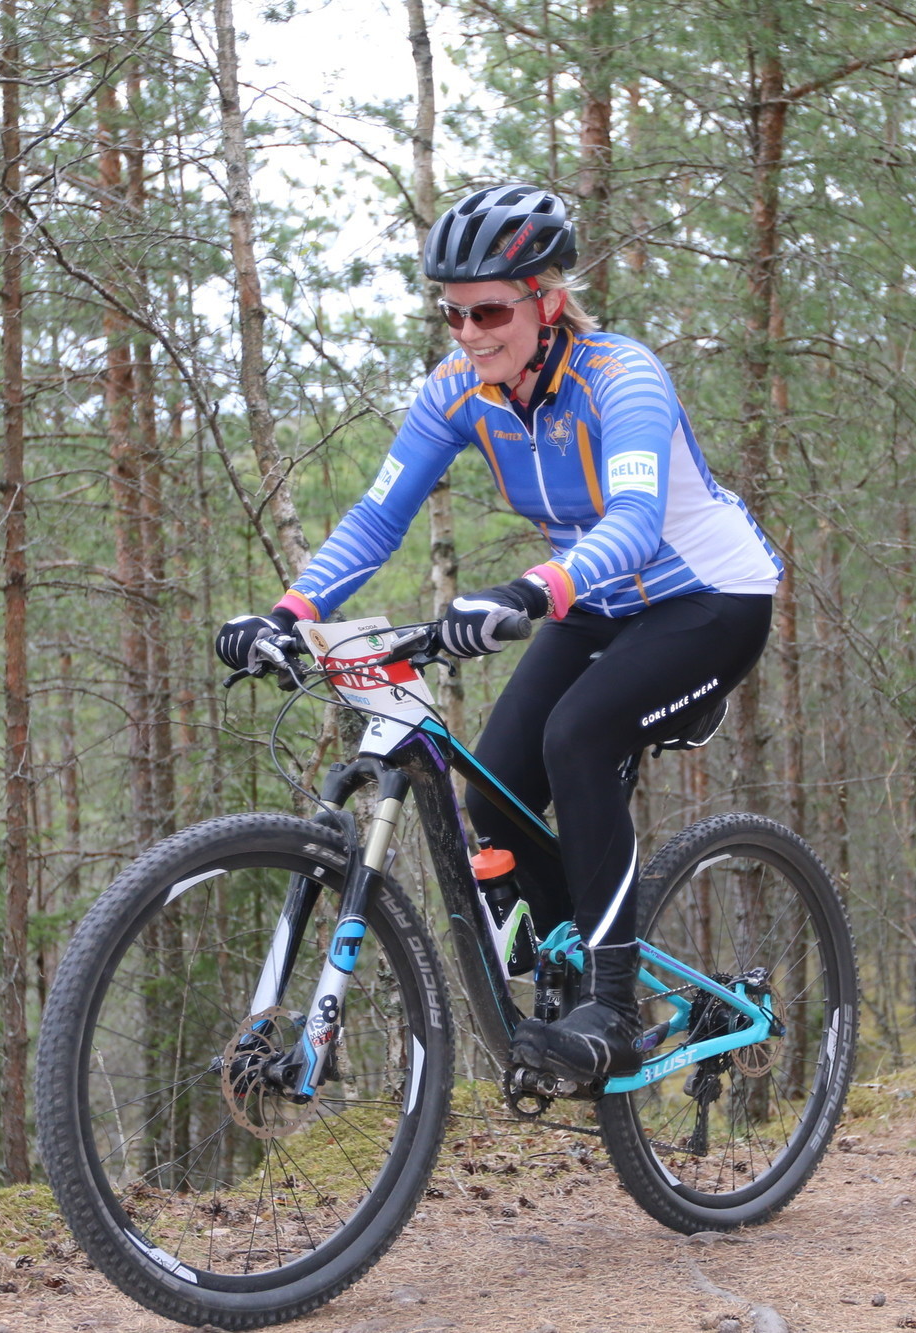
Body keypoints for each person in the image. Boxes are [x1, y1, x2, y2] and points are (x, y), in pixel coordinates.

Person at [215, 183, 780, 1083]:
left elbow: (636, 520)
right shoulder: (458, 391)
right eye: (452, 314)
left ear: (547, 301)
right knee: (494, 795)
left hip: (709, 596)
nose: (470, 333)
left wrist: (528, 590)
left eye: (489, 311)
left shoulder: (621, 377)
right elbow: (377, 519)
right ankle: (572, 972)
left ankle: (611, 1008)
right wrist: (290, 613)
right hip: (595, 601)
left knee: (578, 736)